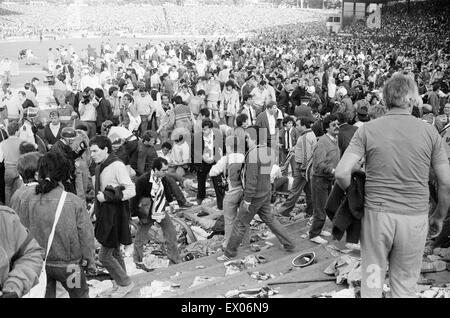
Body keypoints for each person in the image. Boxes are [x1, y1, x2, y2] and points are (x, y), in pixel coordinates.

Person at [335, 74, 450, 298]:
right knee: (405, 286)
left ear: (386, 99)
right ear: (411, 99)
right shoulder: (429, 132)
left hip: (377, 217)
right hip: (414, 218)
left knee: (372, 280)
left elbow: (341, 172)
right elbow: (445, 181)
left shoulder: (368, 129)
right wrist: (439, 214)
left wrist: (353, 195)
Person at [11, 151, 95, 298]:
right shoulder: (73, 201)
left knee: (48, 294)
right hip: (69, 267)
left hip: (41, 265)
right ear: (65, 174)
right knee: (79, 294)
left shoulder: (26, 197)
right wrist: (89, 261)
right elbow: (86, 236)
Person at [217, 126, 296, 262]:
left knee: (240, 224)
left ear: (253, 138)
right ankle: (289, 243)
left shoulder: (253, 154)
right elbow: (264, 175)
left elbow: (251, 180)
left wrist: (247, 200)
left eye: (247, 137)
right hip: (265, 192)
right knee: (270, 220)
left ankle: (229, 253)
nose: (246, 140)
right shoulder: (269, 151)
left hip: (254, 196)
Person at [89, 136, 135, 298]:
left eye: (95, 151)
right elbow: (100, 192)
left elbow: (131, 190)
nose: (92, 154)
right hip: (104, 213)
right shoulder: (100, 166)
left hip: (115, 216)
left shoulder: (117, 165)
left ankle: (125, 283)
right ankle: (120, 283)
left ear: (106, 149)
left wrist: (108, 198)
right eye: (90, 151)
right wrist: (94, 208)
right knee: (115, 252)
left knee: (104, 256)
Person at [130, 157, 183, 270]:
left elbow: (166, 191)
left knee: (171, 233)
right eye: (163, 170)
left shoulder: (163, 178)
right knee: (140, 237)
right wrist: (135, 214)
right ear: (156, 169)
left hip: (160, 210)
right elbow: (135, 198)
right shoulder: (142, 180)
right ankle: (138, 261)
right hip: (147, 212)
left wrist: (171, 203)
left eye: (166, 169)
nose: (166, 172)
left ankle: (174, 259)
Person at [209, 135, 248, 249]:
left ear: (229, 147)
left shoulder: (226, 159)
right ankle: (246, 243)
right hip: (244, 192)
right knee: (244, 220)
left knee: (229, 220)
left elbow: (212, 172)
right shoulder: (244, 157)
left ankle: (228, 244)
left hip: (231, 193)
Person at [308, 114, 340, 244]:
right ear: (327, 128)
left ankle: (319, 230)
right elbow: (319, 164)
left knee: (326, 206)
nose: (337, 126)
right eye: (334, 125)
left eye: (337, 124)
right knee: (320, 209)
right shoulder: (322, 142)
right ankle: (313, 234)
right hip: (319, 179)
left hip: (328, 179)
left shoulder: (334, 139)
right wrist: (333, 170)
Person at [0, 205, 44, 298]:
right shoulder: (74, 201)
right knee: (78, 292)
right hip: (67, 262)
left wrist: (15, 284)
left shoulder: (18, 195)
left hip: (30, 253)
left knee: (50, 289)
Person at [277, 116, 316, 217]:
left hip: (302, 168)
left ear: (304, 125)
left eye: (298, 125)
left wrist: (303, 169)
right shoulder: (310, 134)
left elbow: (306, 156)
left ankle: (284, 210)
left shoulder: (304, 137)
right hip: (308, 168)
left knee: (295, 191)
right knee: (309, 191)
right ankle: (310, 211)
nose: (296, 127)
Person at [192, 119, 224, 209]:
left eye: (206, 129)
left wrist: (218, 159)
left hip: (214, 161)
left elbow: (221, 147)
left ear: (211, 129)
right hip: (202, 162)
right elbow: (194, 151)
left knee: (218, 181)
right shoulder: (197, 137)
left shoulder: (216, 135)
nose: (204, 131)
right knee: (201, 181)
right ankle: (200, 197)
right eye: (203, 129)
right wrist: (198, 164)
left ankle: (220, 202)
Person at [0, 122, 23, 206]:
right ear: (16, 131)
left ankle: (8, 207)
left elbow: (0, 159)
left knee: (8, 188)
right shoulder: (22, 142)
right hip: (19, 170)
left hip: (8, 170)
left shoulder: (2, 143)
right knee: (19, 190)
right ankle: (17, 207)